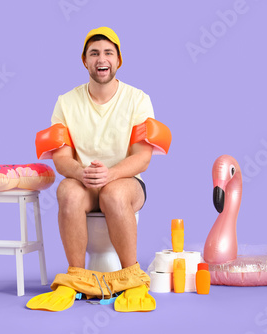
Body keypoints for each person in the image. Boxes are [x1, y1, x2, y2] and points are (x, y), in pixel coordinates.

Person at [29, 27, 171, 312]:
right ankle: (77, 278)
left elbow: (143, 158)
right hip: (83, 182)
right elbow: (61, 159)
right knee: (66, 191)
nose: (101, 59)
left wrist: (111, 174)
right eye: (94, 53)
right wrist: (81, 173)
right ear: (84, 60)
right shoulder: (65, 102)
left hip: (126, 183)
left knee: (114, 195)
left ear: (119, 60)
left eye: (108, 53)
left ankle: (132, 278)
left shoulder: (138, 99)